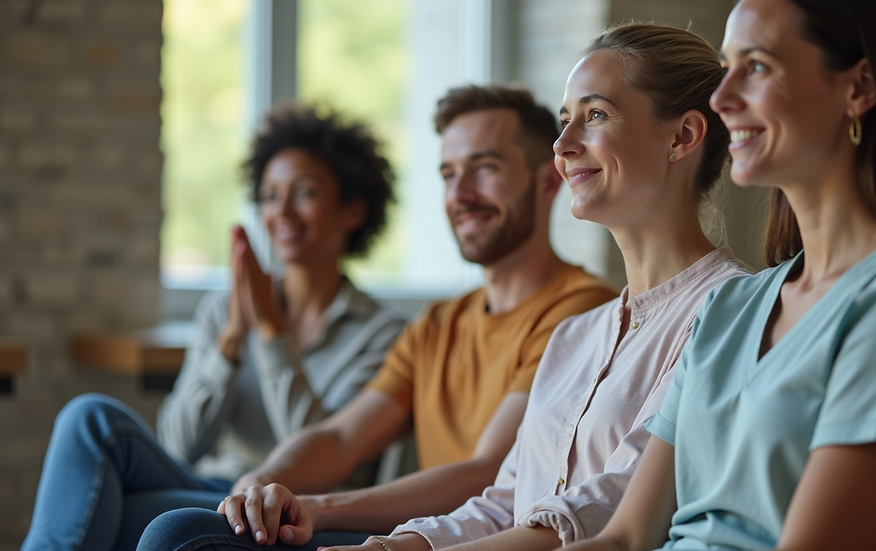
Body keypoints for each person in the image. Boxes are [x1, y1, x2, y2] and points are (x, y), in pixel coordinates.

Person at [137, 24, 750, 551]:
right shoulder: (576, 337)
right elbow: (502, 498)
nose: (563, 148)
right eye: (565, 121)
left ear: (682, 136)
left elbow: (609, 510)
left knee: (178, 532)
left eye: (595, 115)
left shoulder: (730, 309)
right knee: (180, 528)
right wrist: (384, 536)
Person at [561, 1, 876, 551]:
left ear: (859, 88)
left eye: (756, 67)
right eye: (726, 66)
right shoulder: (729, 308)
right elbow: (626, 540)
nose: (721, 98)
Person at [135, 85, 619, 550]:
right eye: (449, 174)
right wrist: (262, 479)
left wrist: (317, 507)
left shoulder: (579, 310)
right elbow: (339, 438)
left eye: (484, 168)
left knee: (175, 531)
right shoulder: (436, 324)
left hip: (461, 539)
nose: (461, 194)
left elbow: (487, 471)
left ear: (547, 180)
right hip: (408, 532)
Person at [20, 105, 408, 551]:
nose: (281, 211)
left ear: (354, 210)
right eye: (269, 195)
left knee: (103, 507)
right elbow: (178, 446)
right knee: (88, 417)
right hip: (214, 485)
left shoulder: (385, 334)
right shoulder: (224, 311)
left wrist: (271, 336)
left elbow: (328, 457)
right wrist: (230, 342)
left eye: (304, 193)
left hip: (292, 508)